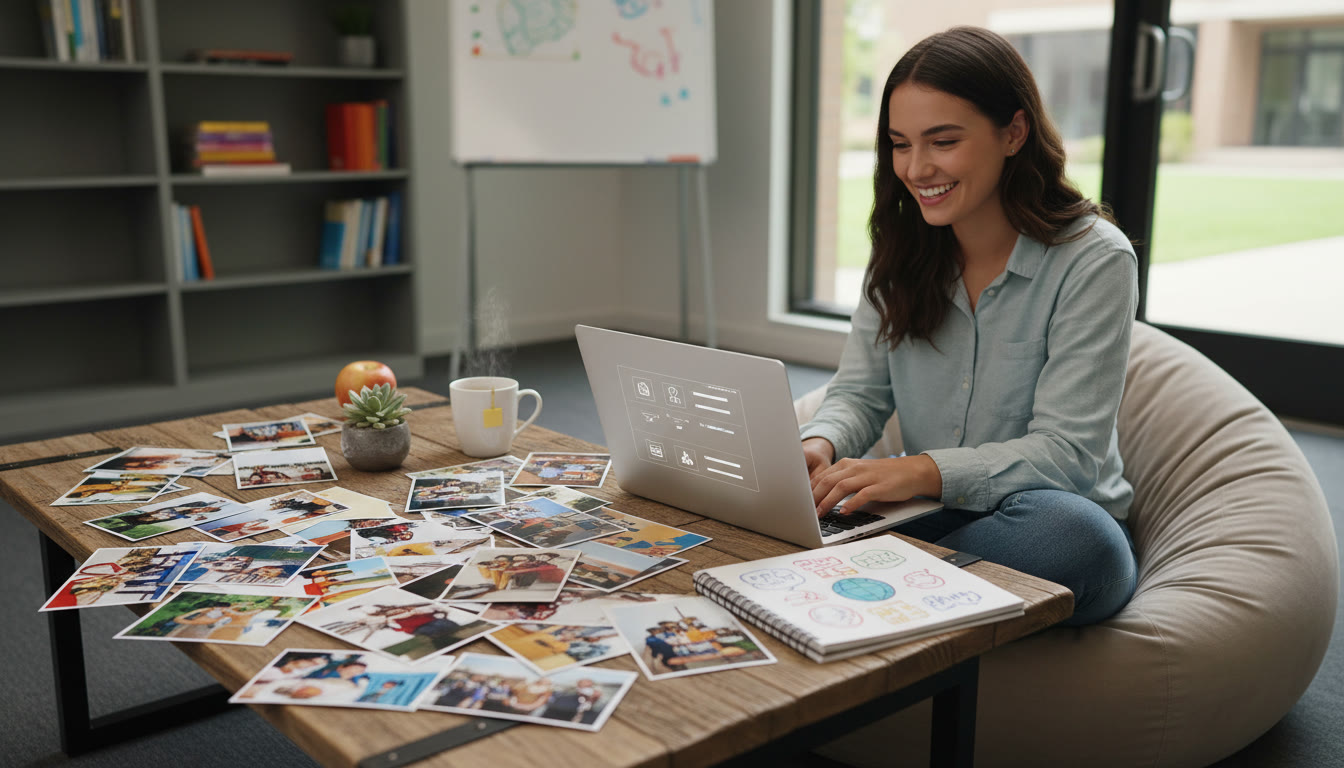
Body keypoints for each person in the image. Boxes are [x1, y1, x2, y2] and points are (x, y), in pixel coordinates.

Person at [801, 27, 1138, 627]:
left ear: (1013, 133)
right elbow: (859, 394)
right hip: (927, 512)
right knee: (793, 508)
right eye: (900, 144)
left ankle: (861, 582)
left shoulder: (1094, 259)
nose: (916, 167)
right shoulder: (900, 250)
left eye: (944, 141)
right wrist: (819, 443)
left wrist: (920, 468)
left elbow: (1069, 453)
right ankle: (905, 586)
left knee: (1083, 546)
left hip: (1044, 513)